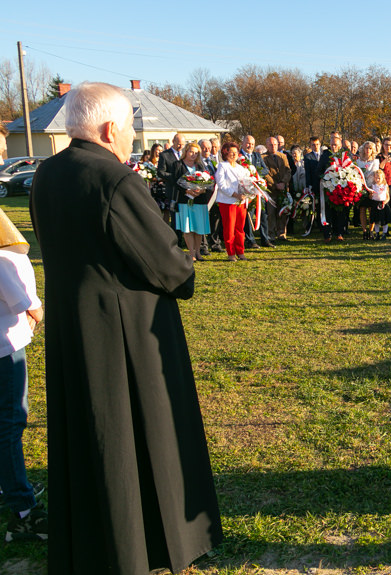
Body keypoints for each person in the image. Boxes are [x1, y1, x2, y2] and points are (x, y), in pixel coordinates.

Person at [29, 81, 222, 575]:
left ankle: (93, 544)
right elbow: (168, 266)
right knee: (131, 437)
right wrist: (185, 268)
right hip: (126, 332)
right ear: (111, 127)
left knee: (90, 435)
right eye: (129, 131)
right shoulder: (113, 180)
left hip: (74, 327)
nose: (130, 140)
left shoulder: (46, 174)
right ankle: (140, 548)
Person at [0, 209, 47, 542]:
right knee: (9, 422)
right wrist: (37, 309)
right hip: (5, 345)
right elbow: (21, 301)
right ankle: (22, 511)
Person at [173, 142, 212, 261]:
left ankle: (198, 252)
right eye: (191, 152)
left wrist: (201, 190)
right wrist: (187, 191)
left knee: (199, 227)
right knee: (188, 227)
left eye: (196, 153)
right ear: (186, 151)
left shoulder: (200, 165)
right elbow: (175, 182)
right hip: (185, 200)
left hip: (199, 200)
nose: (193, 155)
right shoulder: (178, 164)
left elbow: (207, 180)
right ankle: (191, 253)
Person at [216, 141, 252, 261]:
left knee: (240, 228)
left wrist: (249, 192)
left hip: (241, 202)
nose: (233, 155)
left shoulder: (241, 167)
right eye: (231, 152)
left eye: (235, 152)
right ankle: (231, 253)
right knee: (229, 228)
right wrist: (235, 194)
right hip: (228, 201)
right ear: (225, 153)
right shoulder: (222, 166)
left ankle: (240, 251)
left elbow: (247, 182)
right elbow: (221, 184)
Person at [239, 135, 272, 248]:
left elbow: (265, 169)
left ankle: (265, 239)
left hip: (257, 190)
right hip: (245, 190)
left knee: (263, 214)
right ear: (242, 143)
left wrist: (256, 174)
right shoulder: (238, 156)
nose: (250, 146)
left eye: (252, 144)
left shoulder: (257, 155)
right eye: (248, 143)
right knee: (249, 215)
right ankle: (251, 240)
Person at [263, 136, 292, 241]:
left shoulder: (283, 156)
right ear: (267, 145)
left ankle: (282, 233)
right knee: (270, 213)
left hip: (283, 189)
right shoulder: (263, 157)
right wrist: (276, 184)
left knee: (283, 212)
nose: (273, 146)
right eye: (270, 144)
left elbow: (288, 170)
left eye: (275, 144)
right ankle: (271, 234)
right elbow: (265, 174)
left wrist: (283, 183)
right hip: (271, 190)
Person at [369, 169, 391, 240]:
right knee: (376, 220)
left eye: (379, 178)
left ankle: (384, 233)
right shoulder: (373, 186)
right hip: (375, 204)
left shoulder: (385, 186)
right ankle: (377, 233)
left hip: (383, 204)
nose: (377, 179)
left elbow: (387, 196)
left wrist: (385, 202)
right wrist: (371, 194)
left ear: (382, 178)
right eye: (376, 178)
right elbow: (370, 197)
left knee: (384, 220)